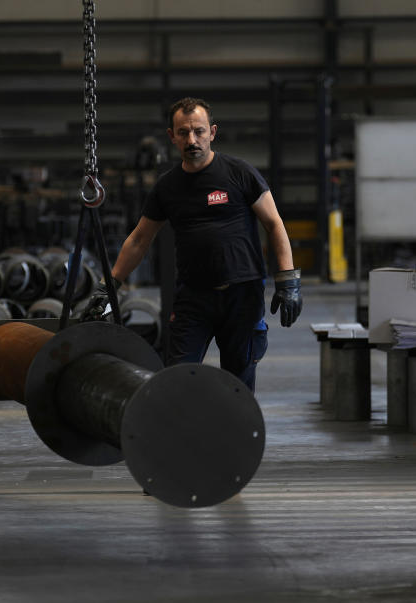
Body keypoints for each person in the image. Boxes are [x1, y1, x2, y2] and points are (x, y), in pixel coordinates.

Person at [85, 97, 302, 391]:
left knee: (238, 382)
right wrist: (109, 286)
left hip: (242, 295)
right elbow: (139, 239)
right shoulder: (167, 187)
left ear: (212, 132)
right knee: (177, 376)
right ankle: (182, 436)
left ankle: (235, 436)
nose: (192, 139)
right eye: (184, 132)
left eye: (199, 131)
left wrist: (288, 281)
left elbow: (274, 224)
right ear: (172, 137)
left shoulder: (240, 173)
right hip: (193, 299)